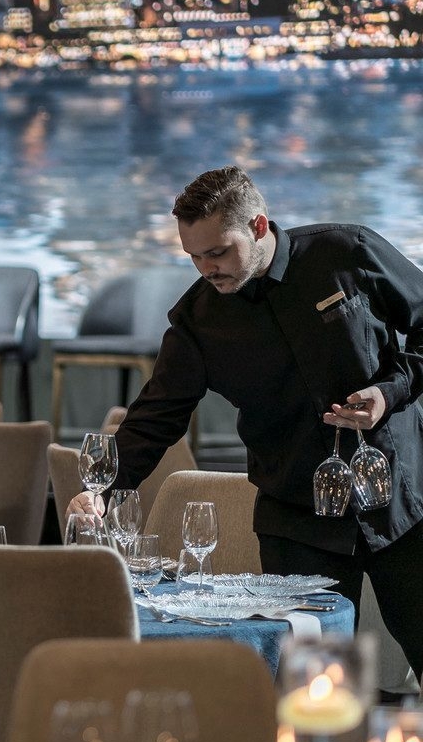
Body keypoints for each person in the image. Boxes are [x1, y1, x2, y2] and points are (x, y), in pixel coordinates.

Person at [66, 165, 423, 674]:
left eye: (218, 252)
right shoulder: (198, 322)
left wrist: (391, 394)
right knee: (315, 683)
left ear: (258, 227)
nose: (207, 269)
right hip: (296, 518)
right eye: (194, 257)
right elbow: (153, 418)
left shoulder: (347, 253)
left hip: (408, 499)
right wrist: (101, 489)